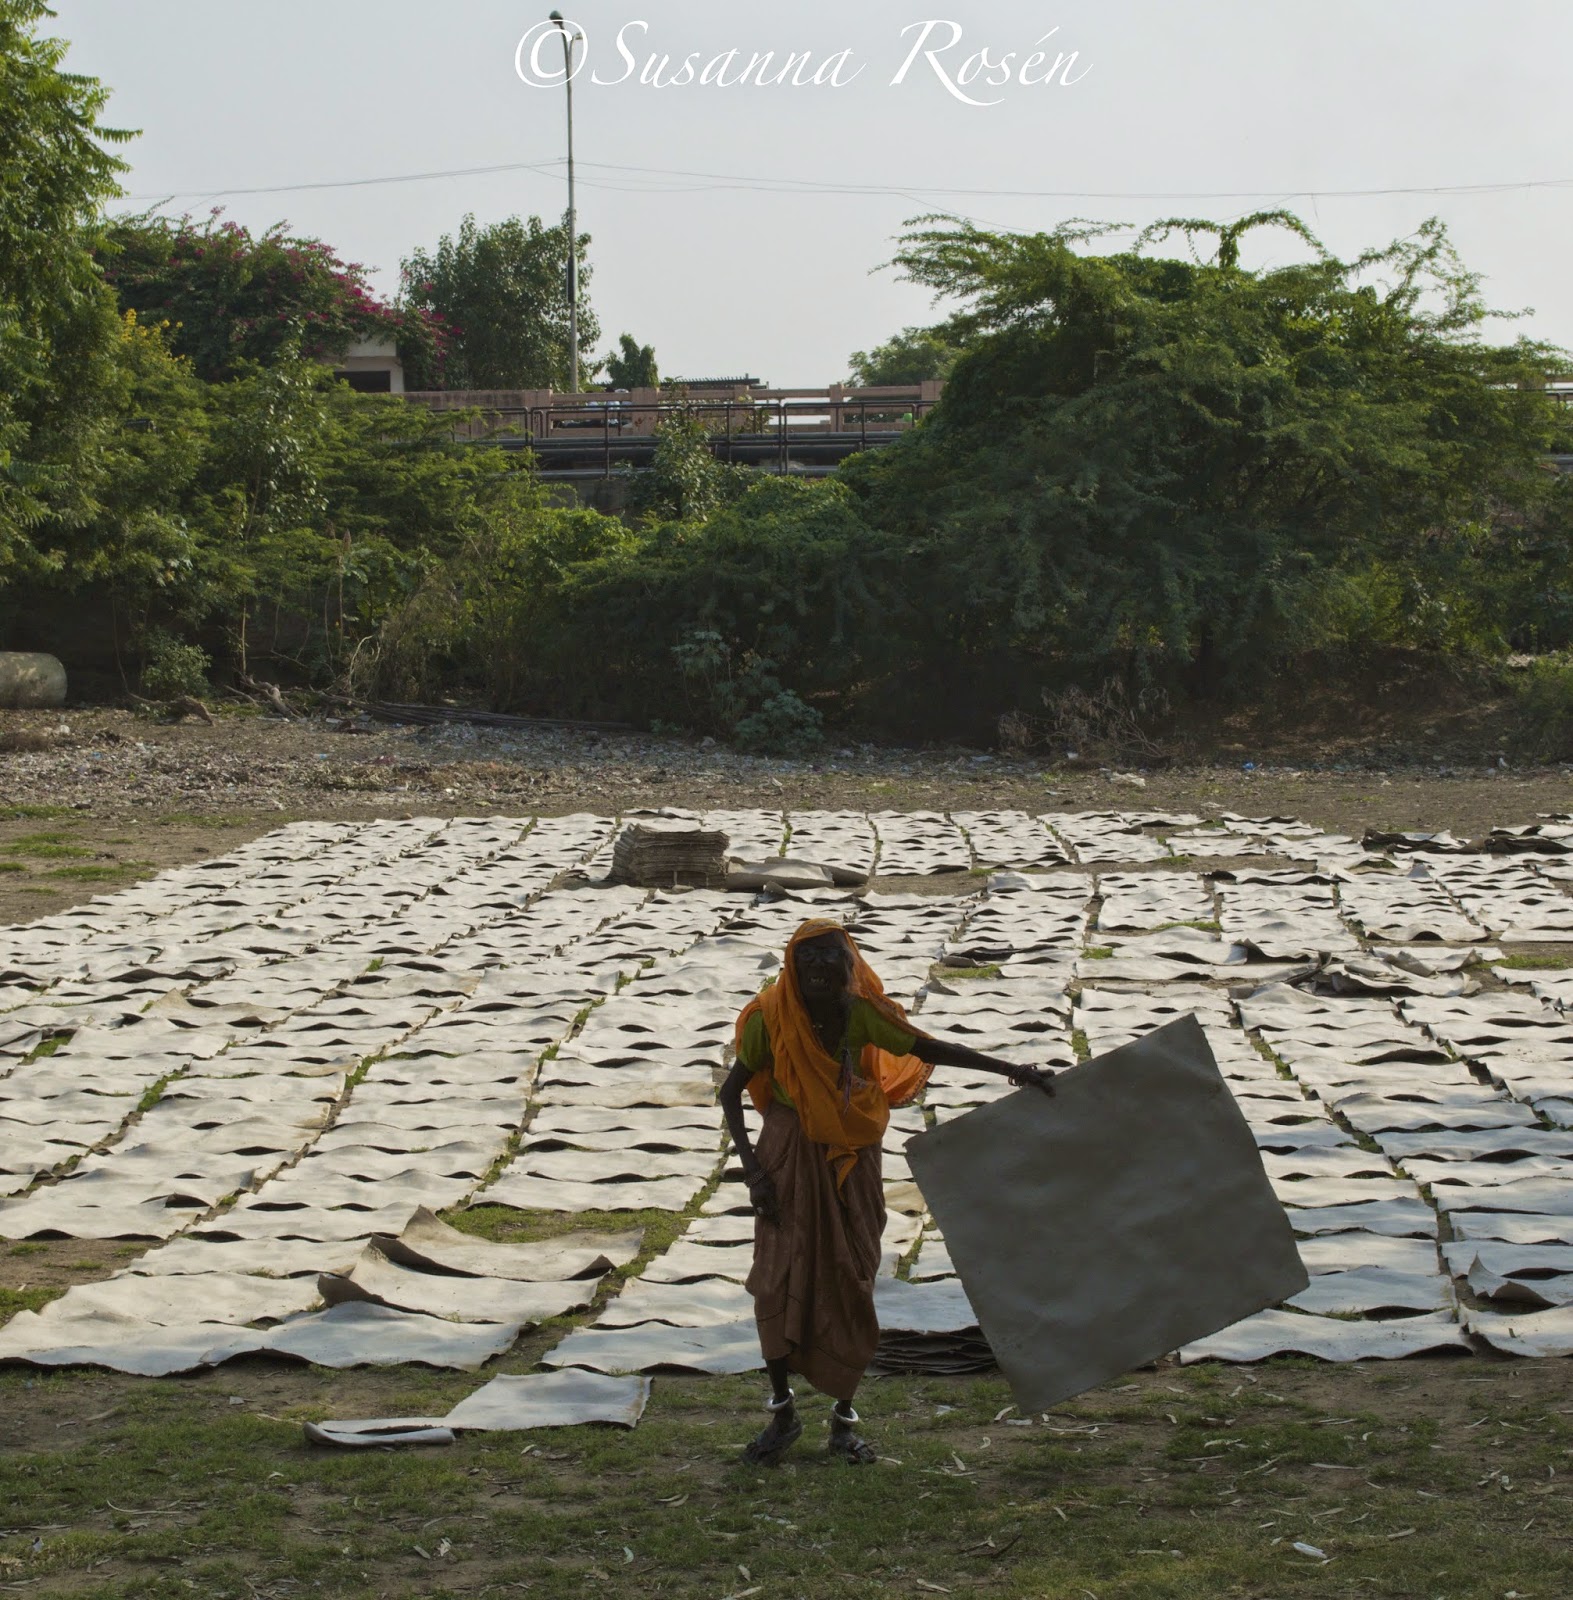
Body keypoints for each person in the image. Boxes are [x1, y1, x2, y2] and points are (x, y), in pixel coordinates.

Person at [719, 918, 1056, 1466]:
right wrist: (755, 1174)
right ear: (792, 967)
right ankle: (782, 1414)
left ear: (850, 965)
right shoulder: (769, 1018)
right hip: (787, 1155)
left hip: (852, 1155)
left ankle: (843, 1421)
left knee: (853, 1276)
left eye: (831, 957)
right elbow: (731, 1093)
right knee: (775, 1281)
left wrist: (1011, 1069)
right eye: (809, 959)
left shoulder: (861, 1014)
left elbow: (927, 1046)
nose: (820, 968)